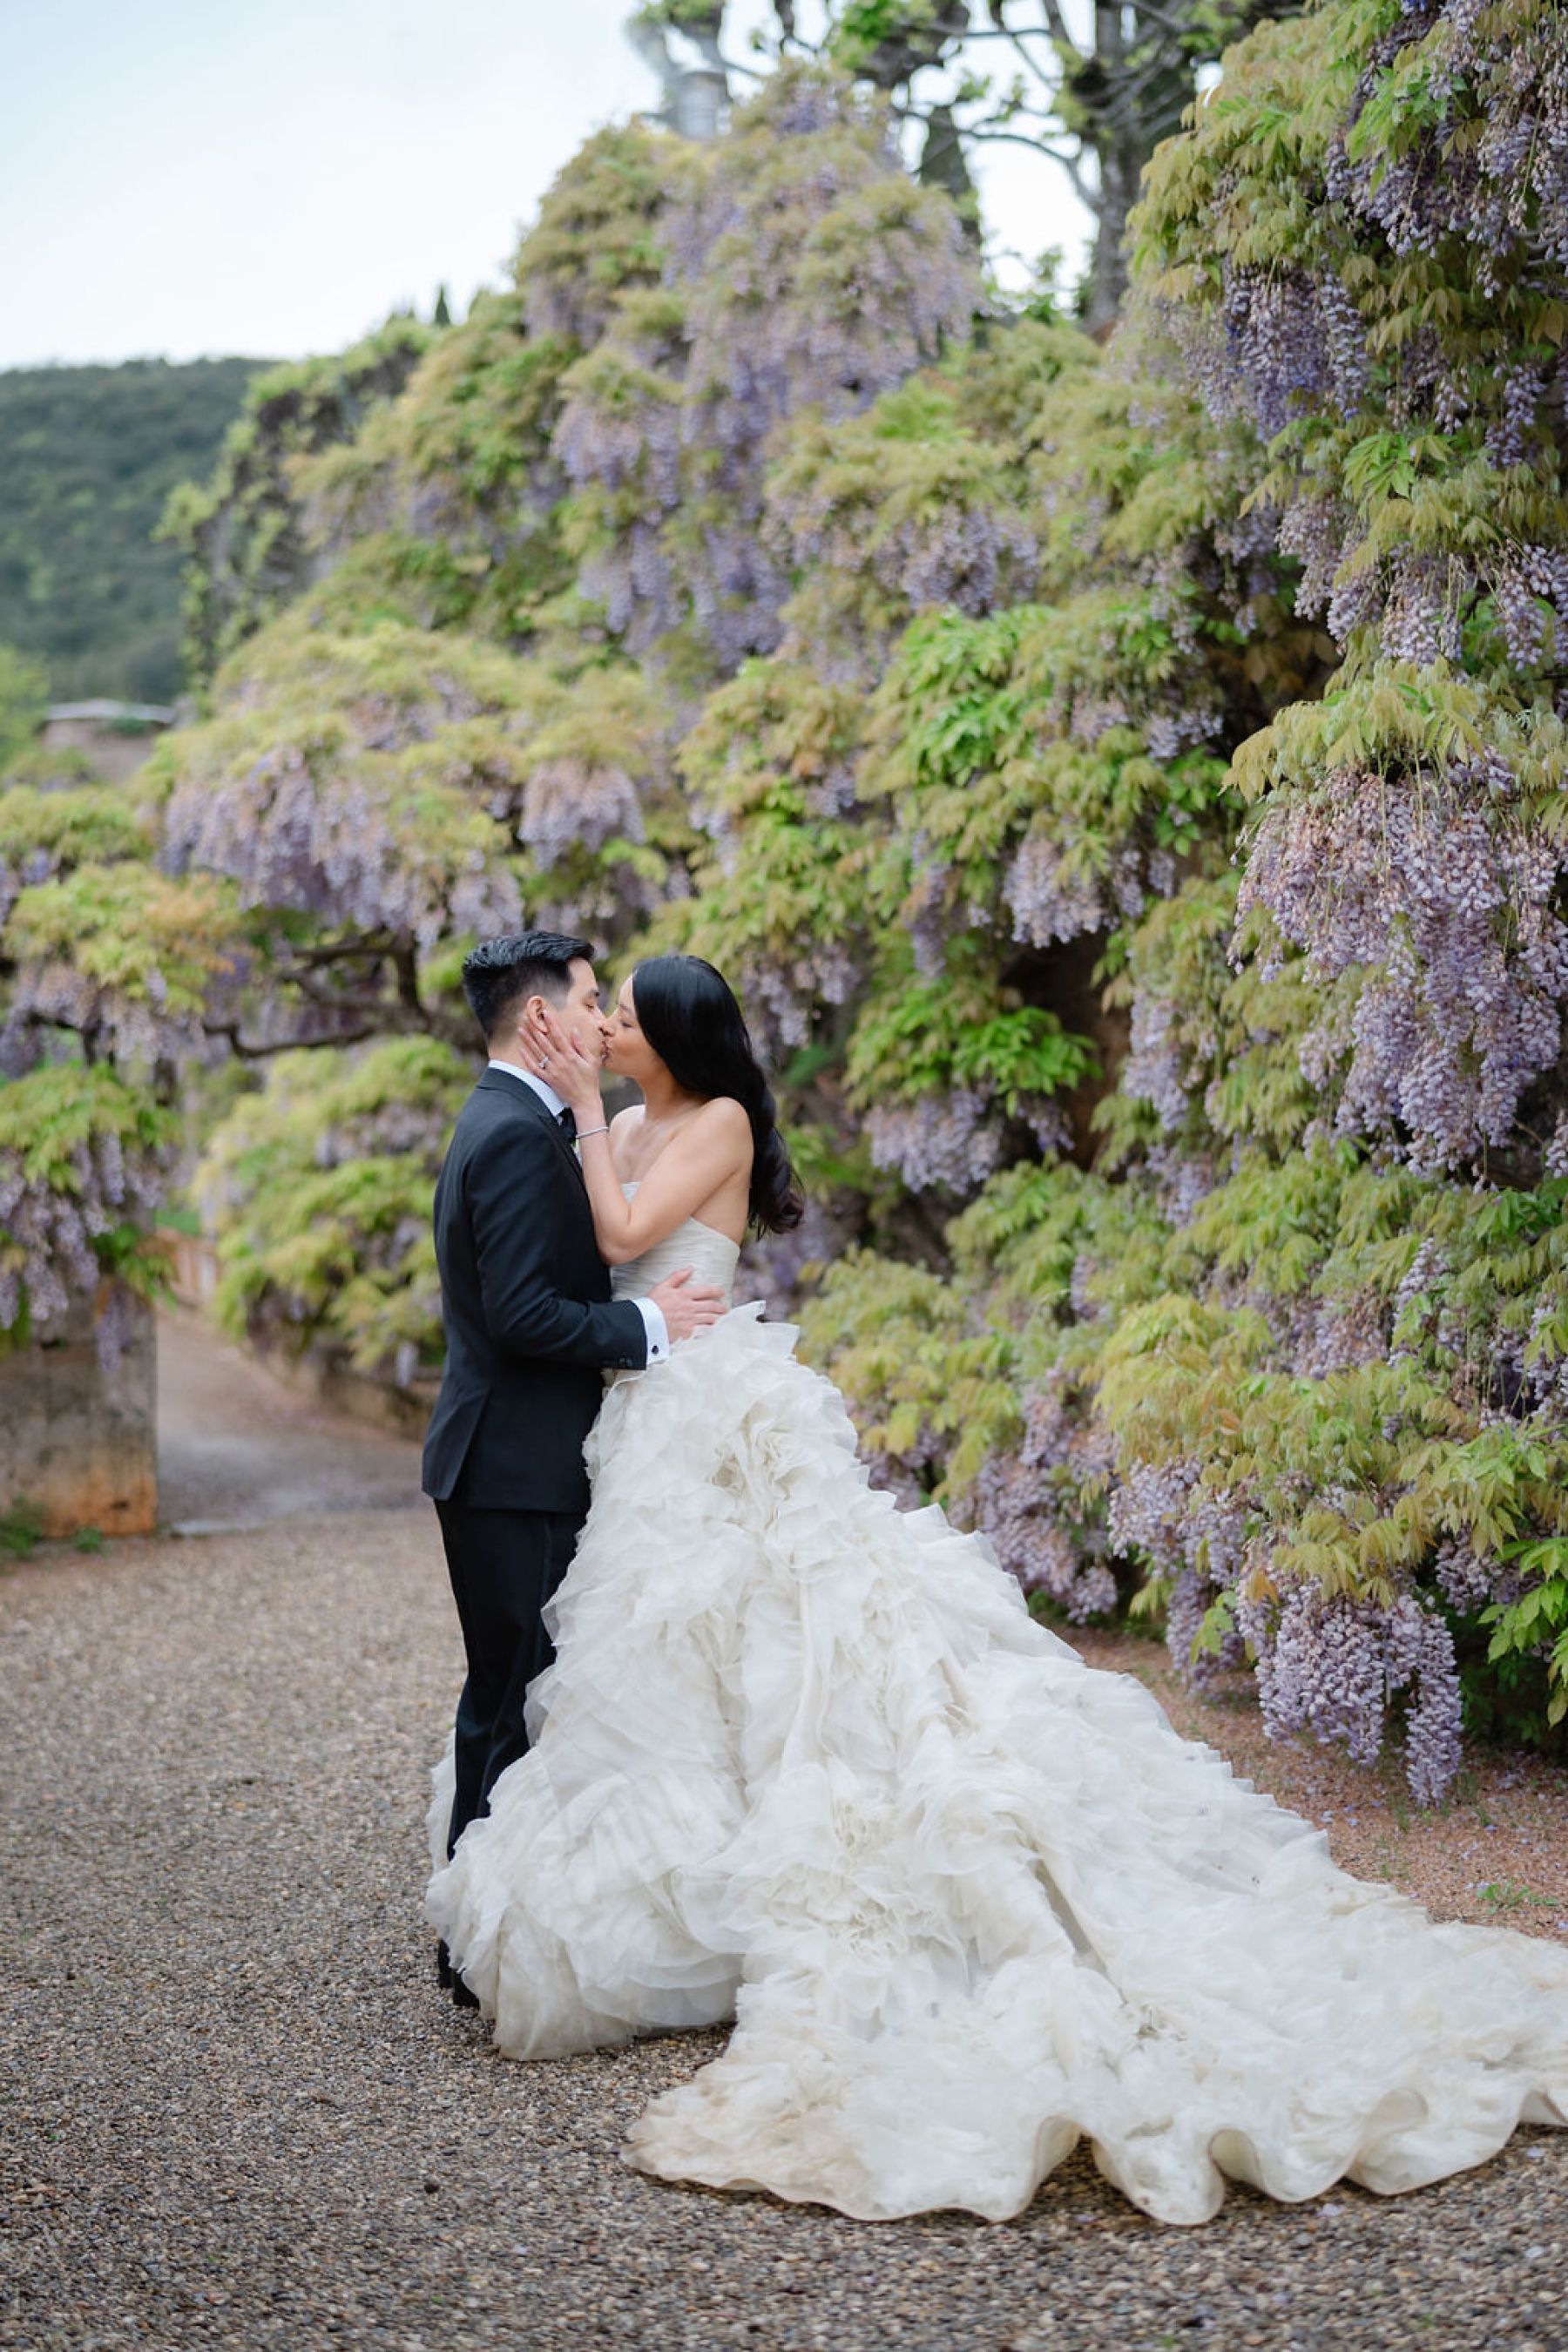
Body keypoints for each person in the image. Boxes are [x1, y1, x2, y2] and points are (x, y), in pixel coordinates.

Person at [425, 950, 1568, 2227]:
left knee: (782, 1625)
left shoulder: (718, 1117)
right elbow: (577, 1246)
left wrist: (581, 1119)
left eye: (623, 1014)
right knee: (670, 1651)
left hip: (703, 1399)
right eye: (598, 1010)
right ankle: (684, 1889)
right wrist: (591, 1135)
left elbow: (629, 1236)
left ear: (676, 1035)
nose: (605, 1027)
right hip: (636, 1409)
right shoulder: (625, 1118)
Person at [421, 933, 725, 2005]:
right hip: (510, 1466)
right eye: (593, 1000)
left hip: (528, 1460)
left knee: (514, 1702)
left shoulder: (526, 1120)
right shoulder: (509, 1132)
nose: (602, 1020)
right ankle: (474, 1946)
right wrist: (649, 1324)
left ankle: (491, 1930)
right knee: (507, 1708)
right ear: (540, 1019)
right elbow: (519, 1315)